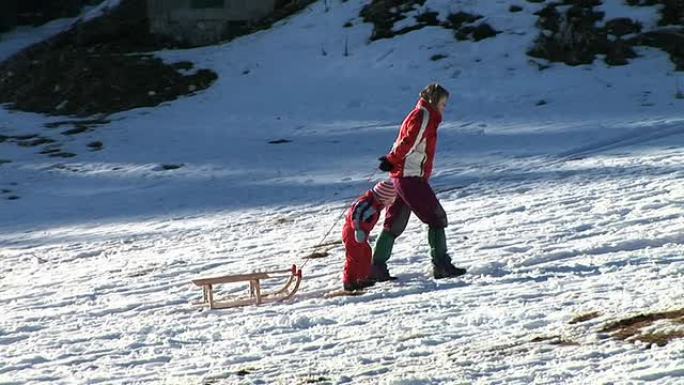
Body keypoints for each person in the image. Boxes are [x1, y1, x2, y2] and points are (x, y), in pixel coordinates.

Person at [372, 83, 466, 281]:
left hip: (405, 176)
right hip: (410, 177)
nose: (444, 108)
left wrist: (392, 161)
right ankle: (441, 264)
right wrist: (391, 160)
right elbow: (409, 142)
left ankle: (376, 268)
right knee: (436, 217)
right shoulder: (423, 115)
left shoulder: (423, 115)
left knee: (394, 222)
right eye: (443, 104)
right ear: (434, 101)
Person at [342, 180, 397, 291]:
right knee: (354, 256)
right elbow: (356, 214)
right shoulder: (366, 203)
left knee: (366, 253)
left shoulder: (375, 204)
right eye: (389, 200)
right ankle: (349, 281)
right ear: (383, 197)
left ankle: (362, 277)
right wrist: (357, 229)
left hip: (362, 234)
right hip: (353, 232)